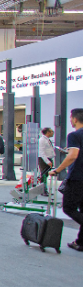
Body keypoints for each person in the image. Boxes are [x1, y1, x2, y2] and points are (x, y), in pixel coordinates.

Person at [49, 108, 83, 252]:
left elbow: (73, 156)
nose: (70, 120)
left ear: (75, 119)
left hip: (77, 178)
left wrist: (57, 170)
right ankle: (80, 242)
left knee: (68, 208)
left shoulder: (75, 135)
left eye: (70, 118)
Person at [39, 127, 55, 194]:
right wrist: (47, 161)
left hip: (48, 158)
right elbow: (41, 152)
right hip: (44, 159)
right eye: (51, 131)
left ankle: (44, 190)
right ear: (48, 132)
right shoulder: (42, 140)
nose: (53, 133)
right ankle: (43, 190)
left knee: (46, 175)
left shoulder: (47, 140)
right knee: (44, 175)